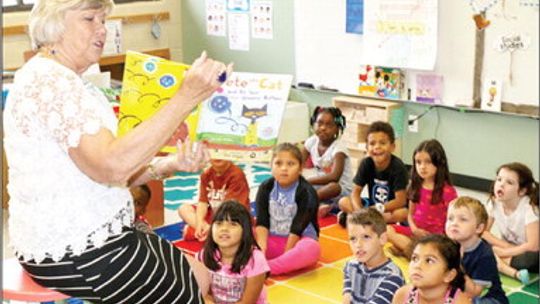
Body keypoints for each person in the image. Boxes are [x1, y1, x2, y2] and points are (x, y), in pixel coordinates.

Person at [3, 0, 232, 302]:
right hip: (77, 249)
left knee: (201, 276)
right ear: (54, 25)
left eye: (103, 19)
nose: (103, 29)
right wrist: (186, 97)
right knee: (185, 293)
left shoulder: (67, 80)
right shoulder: (51, 83)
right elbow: (111, 167)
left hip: (102, 231)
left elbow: (107, 173)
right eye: (89, 19)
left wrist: (170, 163)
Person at [255, 143, 321, 275]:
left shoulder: (306, 192)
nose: (284, 168)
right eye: (278, 163)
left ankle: (267, 269)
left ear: (301, 168)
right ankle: (258, 263)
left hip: (297, 242)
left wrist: (287, 255)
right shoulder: (265, 187)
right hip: (270, 240)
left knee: (312, 249)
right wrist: (261, 252)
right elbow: (262, 222)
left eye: (291, 164)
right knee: (241, 232)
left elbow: (297, 228)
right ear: (271, 166)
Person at [387, 139, 457, 257]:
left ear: (440, 163)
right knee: (387, 229)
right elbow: (410, 214)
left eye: (428, 162)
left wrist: (440, 237)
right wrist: (414, 229)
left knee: (436, 249)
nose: (422, 167)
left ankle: (411, 251)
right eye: (418, 162)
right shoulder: (415, 186)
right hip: (415, 232)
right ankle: (415, 252)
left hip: (436, 238)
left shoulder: (448, 191)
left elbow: (453, 221)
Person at [198, 200, 270, 304]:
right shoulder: (204, 255)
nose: (224, 229)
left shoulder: (255, 260)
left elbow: (247, 302)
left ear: (245, 230)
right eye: (219, 223)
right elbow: (204, 293)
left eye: (232, 224)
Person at [338, 121, 408, 226]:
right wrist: (359, 211)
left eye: (382, 143)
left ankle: (361, 220)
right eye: (372, 143)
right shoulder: (366, 163)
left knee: (402, 213)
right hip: (371, 206)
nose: (377, 147)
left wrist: (381, 208)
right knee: (343, 202)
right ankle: (364, 220)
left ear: (392, 146)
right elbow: (355, 192)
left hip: (388, 209)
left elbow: (401, 200)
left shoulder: (398, 167)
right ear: (366, 148)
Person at [483, 162, 539, 285]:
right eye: (499, 179)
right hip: (510, 248)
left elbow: (534, 245)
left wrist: (504, 252)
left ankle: (496, 260)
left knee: (532, 260)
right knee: (474, 240)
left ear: (522, 191)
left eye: (509, 182)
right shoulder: (494, 202)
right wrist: (506, 246)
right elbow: (483, 231)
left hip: (529, 252)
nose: (501, 185)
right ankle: (513, 272)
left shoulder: (529, 207)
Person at [446, 197, 508, 304]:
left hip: (488, 298)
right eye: (450, 218)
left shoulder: (484, 254)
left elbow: (475, 293)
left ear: (478, 228)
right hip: (459, 294)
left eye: (463, 219)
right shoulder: (447, 245)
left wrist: (457, 264)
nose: (454, 223)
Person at [178, 159, 250, 241]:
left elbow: (231, 210)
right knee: (183, 209)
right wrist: (199, 223)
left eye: (220, 153)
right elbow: (202, 202)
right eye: (213, 153)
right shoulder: (206, 174)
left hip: (233, 217)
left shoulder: (236, 175)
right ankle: (210, 233)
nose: (217, 157)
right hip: (213, 217)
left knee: (242, 232)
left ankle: (209, 233)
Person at [343, 208, 404, 304]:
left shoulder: (392, 277)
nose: (358, 245)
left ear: (382, 239)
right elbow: (346, 300)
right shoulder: (351, 266)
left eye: (366, 237)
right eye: (353, 238)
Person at [301, 106, 353, 218]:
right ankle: (321, 205)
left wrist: (308, 181)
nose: (323, 128)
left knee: (332, 186)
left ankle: (311, 203)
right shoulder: (311, 141)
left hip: (341, 191)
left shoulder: (339, 149)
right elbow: (298, 162)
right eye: (320, 123)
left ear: (337, 129)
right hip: (321, 187)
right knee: (299, 185)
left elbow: (334, 177)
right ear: (314, 124)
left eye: (329, 125)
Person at [392, 234, 471, 304]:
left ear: (449, 275)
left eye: (429, 261)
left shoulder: (460, 302)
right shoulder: (403, 295)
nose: (417, 266)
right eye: (415, 258)